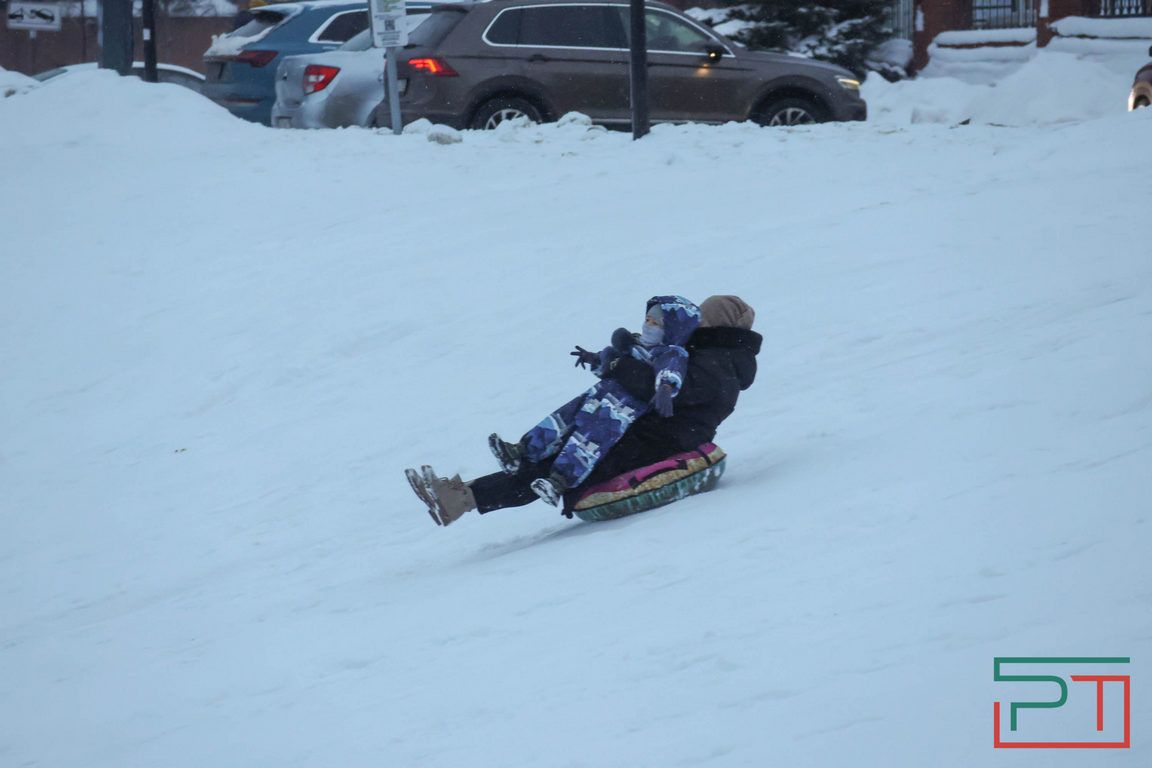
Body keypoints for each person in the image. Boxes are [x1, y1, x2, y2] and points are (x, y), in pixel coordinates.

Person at [407, 295, 761, 526]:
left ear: (717, 324)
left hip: (661, 439)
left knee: (564, 465)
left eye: (704, 319)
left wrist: (620, 364)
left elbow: (663, 392)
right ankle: (461, 497)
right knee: (554, 453)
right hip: (648, 428)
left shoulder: (721, 363)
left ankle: (462, 499)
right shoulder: (714, 355)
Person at [488, 295, 701, 506]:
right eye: (648, 320)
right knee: (561, 419)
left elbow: (671, 371)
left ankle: (558, 482)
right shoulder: (634, 343)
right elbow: (610, 365)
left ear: (673, 328)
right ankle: (521, 452)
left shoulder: (670, 352)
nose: (649, 326)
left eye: (656, 323)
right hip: (597, 393)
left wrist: (665, 387)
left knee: (589, 441)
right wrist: (596, 360)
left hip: (620, 409)